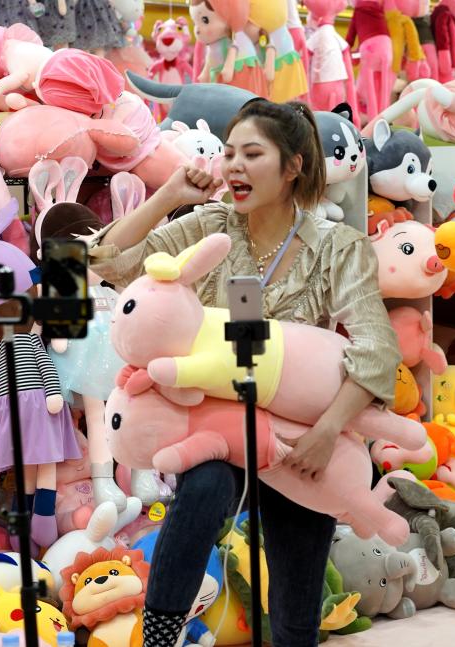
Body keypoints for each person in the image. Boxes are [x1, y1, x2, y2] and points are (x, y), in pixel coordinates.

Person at [86, 99, 400, 646]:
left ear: (294, 165)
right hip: (215, 426)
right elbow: (107, 261)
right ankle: (159, 634)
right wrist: (169, 196)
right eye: (229, 153)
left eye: (252, 154)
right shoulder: (208, 225)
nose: (233, 165)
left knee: (296, 602)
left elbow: (376, 351)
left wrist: (328, 433)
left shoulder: (337, 247)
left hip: (302, 436)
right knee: (203, 489)